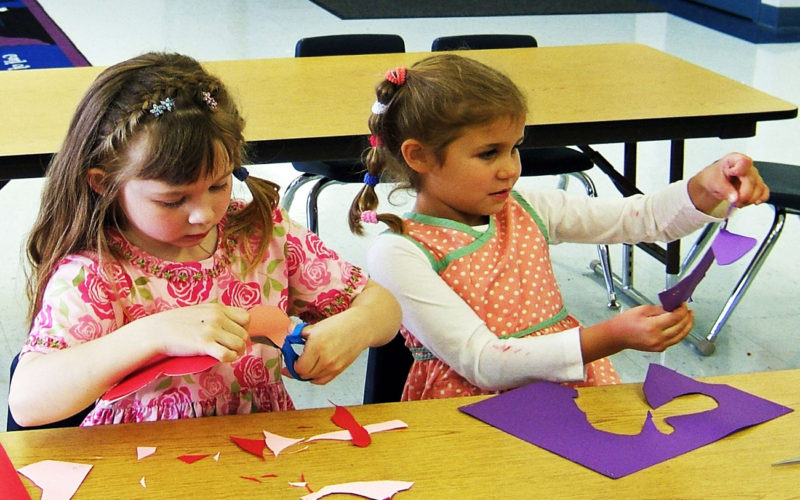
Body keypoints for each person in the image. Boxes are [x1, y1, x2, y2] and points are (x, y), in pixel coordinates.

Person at [8, 52, 401, 427]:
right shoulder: (98, 272)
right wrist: (153, 334)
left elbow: (383, 307)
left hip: (260, 457)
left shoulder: (263, 235)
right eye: (172, 199)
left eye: (218, 184)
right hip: (138, 465)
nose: (204, 214)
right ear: (105, 184)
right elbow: (28, 401)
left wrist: (353, 328)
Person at [348, 54, 769, 400]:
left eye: (515, 148)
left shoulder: (526, 208)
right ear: (418, 156)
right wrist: (611, 336)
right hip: (471, 417)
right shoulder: (399, 252)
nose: (510, 169)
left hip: (574, 393)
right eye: (488, 153)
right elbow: (485, 363)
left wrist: (706, 184)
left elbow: (640, 219)